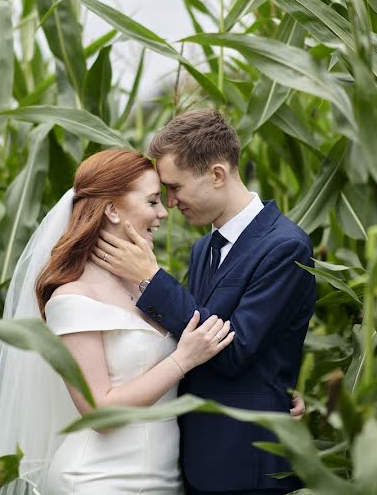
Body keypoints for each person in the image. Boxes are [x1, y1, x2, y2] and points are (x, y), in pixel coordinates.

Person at [0, 149, 234, 494]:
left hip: (165, 480)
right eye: (152, 201)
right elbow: (99, 411)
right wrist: (182, 359)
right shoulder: (74, 297)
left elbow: (203, 357)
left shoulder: (148, 287)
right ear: (111, 210)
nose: (162, 213)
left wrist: (270, 399)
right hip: (98, 479)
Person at [92, 110, 317, 494]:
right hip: (195, 461)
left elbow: (233, 349)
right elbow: (190, 337)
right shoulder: (203, 249)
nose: (171, 202)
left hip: (247, 465)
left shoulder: (285, 246)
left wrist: (150, 278)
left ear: (217, 174)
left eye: (176, 187)